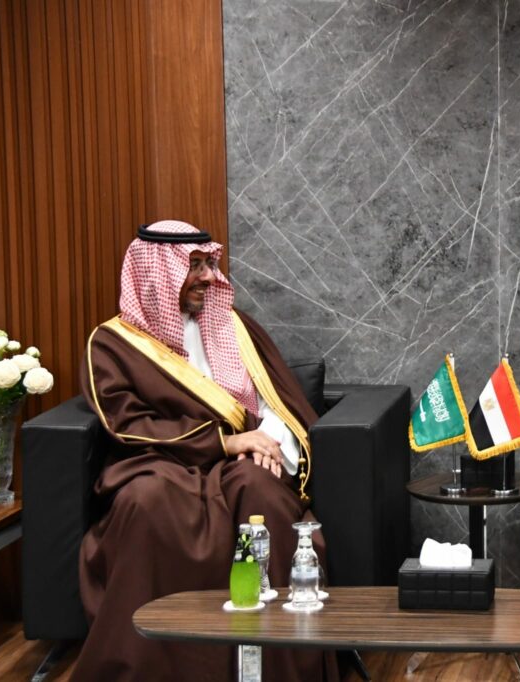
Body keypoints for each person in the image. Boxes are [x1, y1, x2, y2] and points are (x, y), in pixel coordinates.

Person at [75, 220, 338, 681]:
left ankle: (272, 664)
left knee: (261, 492)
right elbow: (127, 424)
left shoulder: (235, 327)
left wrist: (266, 443)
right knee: (148, 502)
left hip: (237, 463)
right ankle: (153, 668)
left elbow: (275, 402)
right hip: (157, 463)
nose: (207, 277)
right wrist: (223, 441)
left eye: (208, 264)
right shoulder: (113, 344)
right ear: (156, 274)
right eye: (193, 266)